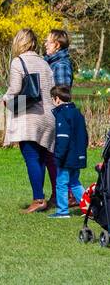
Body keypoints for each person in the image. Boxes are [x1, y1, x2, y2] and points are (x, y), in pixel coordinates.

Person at [3, 26, 57, 212]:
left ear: (20, 42)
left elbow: (15, 89)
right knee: (41, 158)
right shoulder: (45, 63)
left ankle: (38, 199)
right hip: (49, 117)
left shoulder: (18, 62)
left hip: (30, 117)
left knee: (31, 157)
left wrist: (5, 99)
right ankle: (41, 198)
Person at [47, 84, 88, 219]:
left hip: (66, 158)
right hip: (77, 156)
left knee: (61, 183)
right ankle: (89, 209)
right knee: (74, 182)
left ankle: (62, 211)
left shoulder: (62, 114)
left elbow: (62, 138)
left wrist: (58, 156)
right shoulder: (77, 113)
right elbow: (85, 137)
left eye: (52, 99)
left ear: (57, 99)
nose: (53, 103)